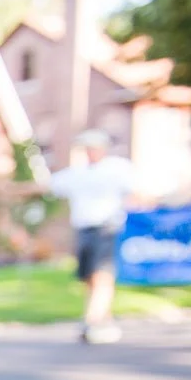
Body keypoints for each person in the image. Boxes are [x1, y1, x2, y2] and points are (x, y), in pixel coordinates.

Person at [44, 129, 137, 344]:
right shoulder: (78, 173)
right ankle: (104, 319)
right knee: (89, 277)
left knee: (101, 274)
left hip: (106, 228)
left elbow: (138, 191)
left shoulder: (116, 169)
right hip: (84, 229)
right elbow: (48, 185)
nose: (89, 152)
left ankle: (92, 320)